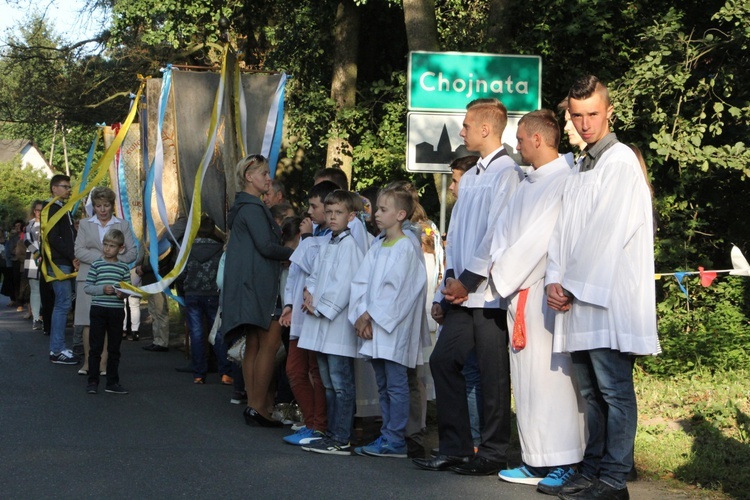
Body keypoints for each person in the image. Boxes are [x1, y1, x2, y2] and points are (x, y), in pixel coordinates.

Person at [546, 75, 659, 500]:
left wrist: (571, 284)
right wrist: (553, 280)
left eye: (593, 114)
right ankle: (592, 469)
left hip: (607, 299)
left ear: (609, 111)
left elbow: (605, 232)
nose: (586, 122)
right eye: (577, 115)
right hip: (576, 299)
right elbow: (563, 232)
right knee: (590, 394)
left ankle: (614, 479)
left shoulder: (620, 162)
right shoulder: (580, 166)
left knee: (614, 391)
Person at [415, 98, 522, 475]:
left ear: (485, 129)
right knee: (443, 360)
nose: (461, 131)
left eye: (465, 125)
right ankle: (456, 447)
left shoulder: (508, 172)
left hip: (488, 294)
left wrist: (469, 280)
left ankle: (493, 452)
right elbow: (456, 234)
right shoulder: (473, 174)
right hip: (460, 292)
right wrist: (448, 284)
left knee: (492, 376)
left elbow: (499, 233)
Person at [487, 110, 584, 494]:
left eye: (522, 138)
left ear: (539, 140)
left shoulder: (565, 179)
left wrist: (508, 273)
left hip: (545, 291)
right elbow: (502, 234)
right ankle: (534, 458)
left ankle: (564, 461)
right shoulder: (526, 183)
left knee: (553, 381)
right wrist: (500, 268)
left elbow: (543, 239)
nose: (518, 145)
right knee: (526, 382)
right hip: (518, 293)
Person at [349, 185, 428, 458]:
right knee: (383, 385)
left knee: (396, 385)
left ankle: (396, 440)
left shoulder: (407, 247)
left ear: (401, 214)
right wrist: (361, 316)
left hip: (393, 331)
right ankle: (387, 435)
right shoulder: (378, 244)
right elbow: (360, 282)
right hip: (372, 329)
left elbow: (400, 291)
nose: (377, 214)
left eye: (383, 209)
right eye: (377, 208)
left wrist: (370, 315)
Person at [221, 154, 294, 427]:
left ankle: (256, 405)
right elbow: (266, 246)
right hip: (259, 286)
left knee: (254, 344)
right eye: (264, 174)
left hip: (249, 285)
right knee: (269, 344)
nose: (269, 178)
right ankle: (258, 406)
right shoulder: (252, 209)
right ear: (249, 177)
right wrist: (293, 253)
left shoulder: (245, 207)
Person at [298, 190, 365, 456]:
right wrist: (308, 293)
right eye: (329, 212)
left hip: (335, 325)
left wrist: (319, 308)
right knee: (327, 383)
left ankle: (342, 437)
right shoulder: (326, 242)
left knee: (341, 384)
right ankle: (331, 434)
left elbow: (345, 285)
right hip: (320, 322)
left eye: (338, 213)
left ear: (351, 216)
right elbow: (314, 275)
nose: (333, 217)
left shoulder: (351, 247)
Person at [74, 187, 137, 375]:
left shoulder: (122, 224)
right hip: (88, 277)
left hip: (113, 278)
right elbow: (78, 250)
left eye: (106, 205)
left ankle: (102, 364)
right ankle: (87, 363)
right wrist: (103, 259)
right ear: (93, 206)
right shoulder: (85, 224)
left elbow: (132, 252)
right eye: (98, 206)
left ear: (112, 205)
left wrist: (115, 259)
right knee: (87, 322)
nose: (102, 210)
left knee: (109, 322)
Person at [279, 214, 329, 446]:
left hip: (314, 315)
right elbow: (295, 273)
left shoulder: (329, 238)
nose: (309, 213)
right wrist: (288, 304)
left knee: (314, 373)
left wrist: (308, 237)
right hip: (298, 316)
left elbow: (313, 265)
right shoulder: (311, 237)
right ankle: (310, 423)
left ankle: (318, 426)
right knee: (295, 371)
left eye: (314, 207)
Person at [180, 214, 229, 384]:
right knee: (217, 333)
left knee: (196, 333)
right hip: (214, 294)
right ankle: (225, 372)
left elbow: (180, 271)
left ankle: (199, 373)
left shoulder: (187, 249)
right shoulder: (220, 249)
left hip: (192, 294)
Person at [84, 228, 131, 395]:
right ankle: (93, 380)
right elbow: (88, 287)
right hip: (98, 309)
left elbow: (128, 289)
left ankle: (112, 381)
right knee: (95, 347)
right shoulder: (97, 264)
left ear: (120, 248)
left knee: (114, 348)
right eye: (105, 245)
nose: (108, 249)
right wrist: (102, 289)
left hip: (116, 311)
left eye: (112, 246)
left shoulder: (123, 267)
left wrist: (122, 293)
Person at [43, 174, 81, 365]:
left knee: (65, 303)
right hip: (59, 264)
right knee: (62, 304)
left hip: (65, 261)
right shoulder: (52, 209)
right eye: (64, 186)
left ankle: (59, 347)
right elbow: (54, 239)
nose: (68, 190)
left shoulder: (63, 209)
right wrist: (72, 256)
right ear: (54, 188)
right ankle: (56, 350)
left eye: (69, 186)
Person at [24, 200, 44, 330]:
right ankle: (36, 318)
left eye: (41, 210)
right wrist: (37, 253)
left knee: (46, 290)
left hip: (47, 260)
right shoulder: (29, 224)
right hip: (32, 259)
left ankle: (44, 316)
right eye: (37, 210)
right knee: (35, 289)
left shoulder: (50, 223)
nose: (39, 213)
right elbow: (26, 240)